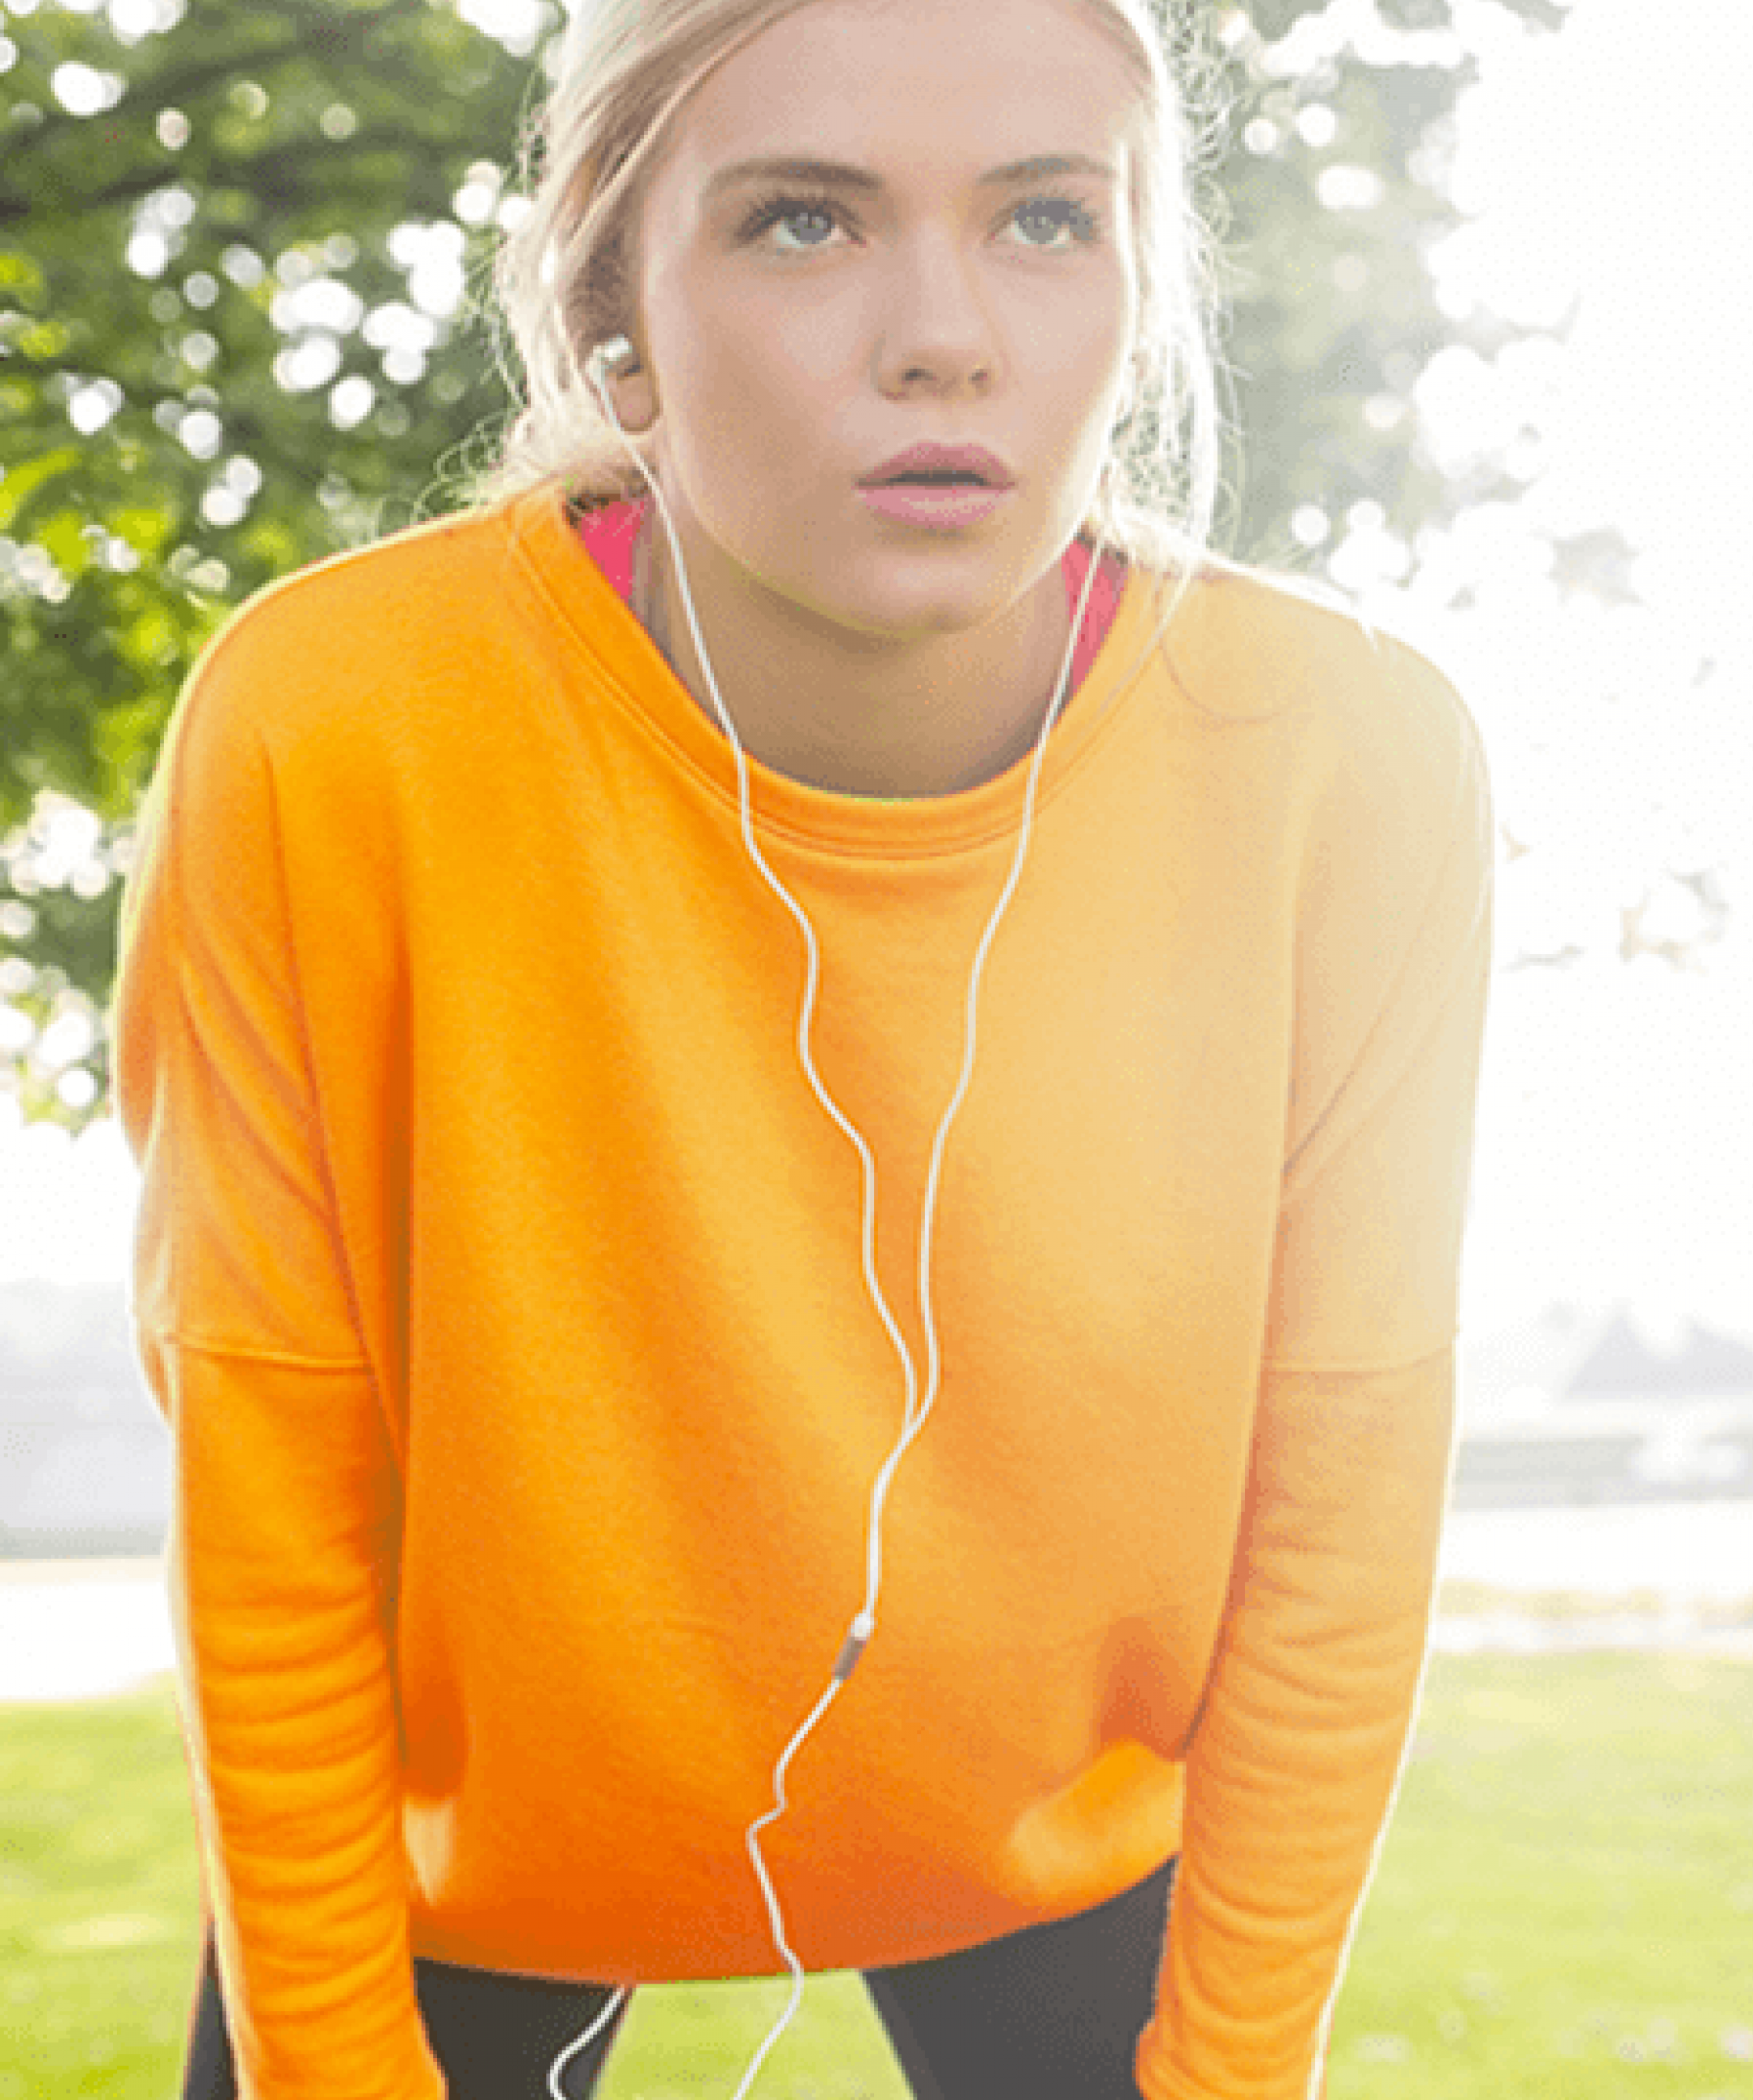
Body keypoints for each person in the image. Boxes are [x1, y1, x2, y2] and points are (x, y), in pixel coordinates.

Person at [112, 0, 1492, 2095]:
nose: (945, 336)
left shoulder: (1348, 756)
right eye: (799, 223)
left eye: (1045, 218)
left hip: (1062, 1843)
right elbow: (273, 1459)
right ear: (612, 311)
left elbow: (1343, 1492)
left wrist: (1223, 2075)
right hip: (450, 1871)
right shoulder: (334, 719)